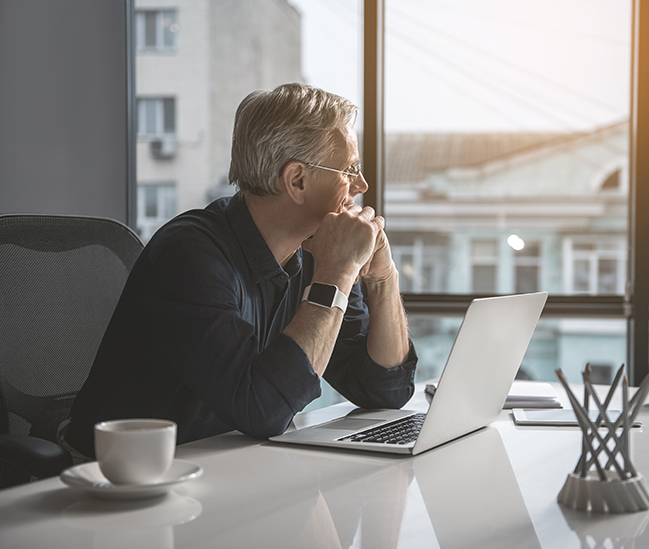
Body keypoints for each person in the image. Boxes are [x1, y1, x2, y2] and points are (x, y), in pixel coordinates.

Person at [62, 83, 417, 460]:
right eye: (349, 169)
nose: (361, 185)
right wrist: (339, 273)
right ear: (297, 180)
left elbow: (385, 391)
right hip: (122, 483)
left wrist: (382, 277)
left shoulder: (319, 252)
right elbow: (263, 410)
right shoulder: (190, 255)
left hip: (228, 471)